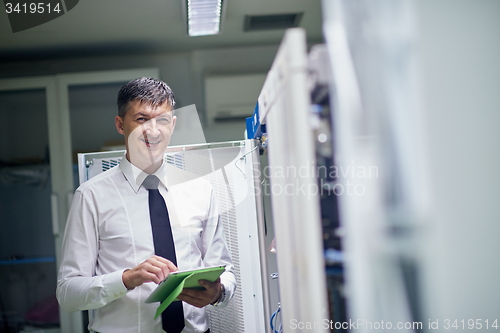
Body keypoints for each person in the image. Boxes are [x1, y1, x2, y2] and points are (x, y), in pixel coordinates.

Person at [56, 77, 236, 333]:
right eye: (141, 119)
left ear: (172, 125)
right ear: (120, 124)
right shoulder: (91, 196)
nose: (153, 131)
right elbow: (68, 294)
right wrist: (126, 279)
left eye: (162, 120)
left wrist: (219, 292)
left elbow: (225, 270)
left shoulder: (200, 190)